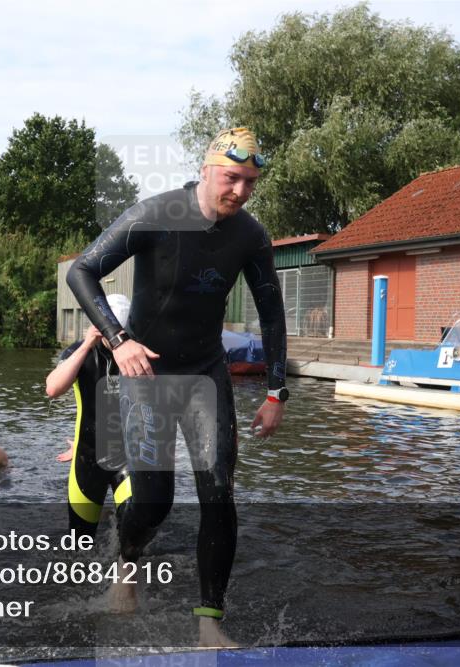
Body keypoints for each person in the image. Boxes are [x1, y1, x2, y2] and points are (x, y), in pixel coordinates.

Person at [65, 127, 288, 646]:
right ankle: (128, 561)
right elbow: (83, 271)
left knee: (218, 495)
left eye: (250, 182)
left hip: (206, 374)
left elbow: (273, 318)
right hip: (148, 375)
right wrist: (119, 340)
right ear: (208, 169)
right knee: (154, 502)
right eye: (232, 178)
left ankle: (209, 619)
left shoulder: (250, 237)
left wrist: (277, 393)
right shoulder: (156, 213)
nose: (241, 191)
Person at [45, 293, 132, 540]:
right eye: (110, 333)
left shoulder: (136, 350)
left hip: (128, 457)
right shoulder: (79, 352)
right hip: (88, 457)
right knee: (79, 544)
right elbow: (52, 389)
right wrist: (86, 345)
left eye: (122, 333)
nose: (116, 341)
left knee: (132, 537)